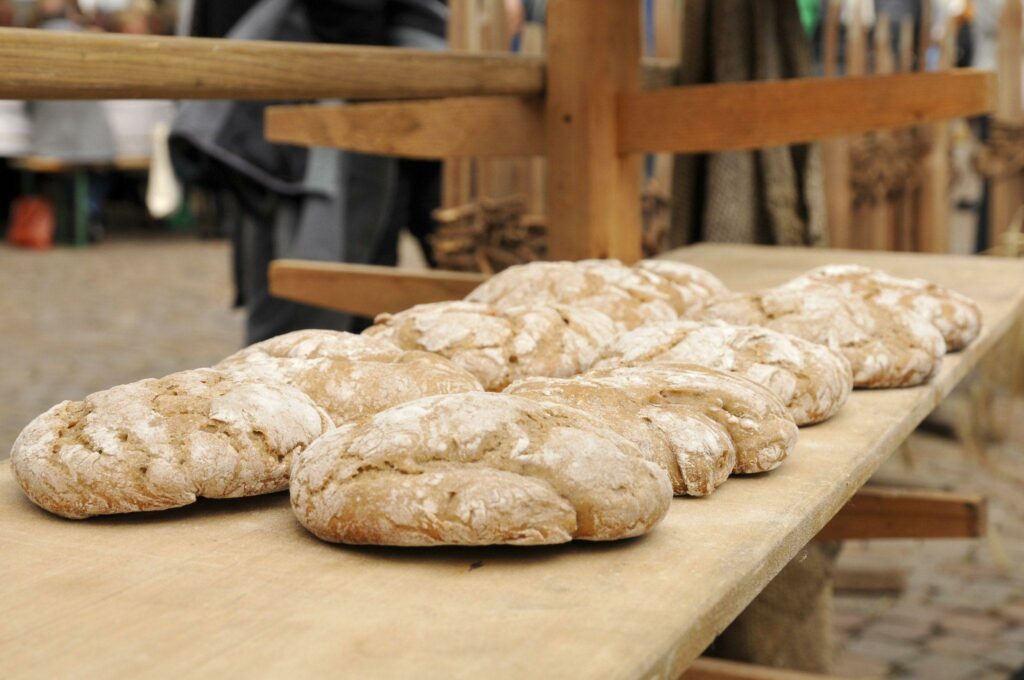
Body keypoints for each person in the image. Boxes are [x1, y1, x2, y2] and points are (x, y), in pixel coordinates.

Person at [171, 0, 447, 344]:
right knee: (314, 299)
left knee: (316, 296)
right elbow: (350, 21)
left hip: (288, 107)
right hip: (319, 115)